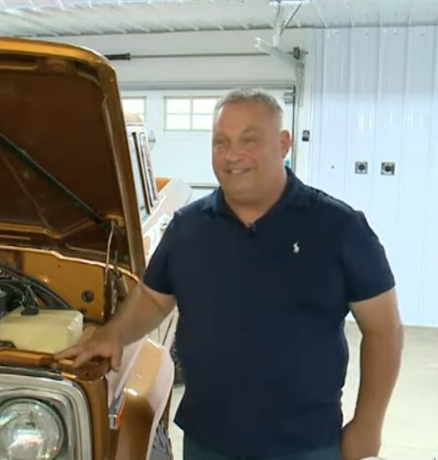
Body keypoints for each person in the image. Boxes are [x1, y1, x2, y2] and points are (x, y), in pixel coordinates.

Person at [56, 88, 403, 460]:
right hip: (208, 443)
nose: (232, 155)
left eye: (248, 140)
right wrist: (114, 334)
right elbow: (155, 297)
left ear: (283, 144)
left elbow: (384, 329)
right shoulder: (189, 228)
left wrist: (368, 424)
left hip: (305, 445)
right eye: (220, 142)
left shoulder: (339, 228)